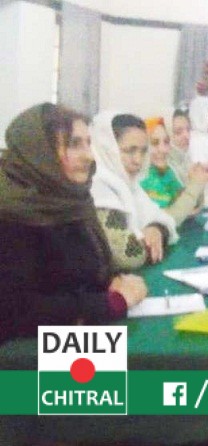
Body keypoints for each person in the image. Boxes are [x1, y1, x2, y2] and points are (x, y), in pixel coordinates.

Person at [0, 103, 149, 343]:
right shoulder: (10, 214)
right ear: (39, 151)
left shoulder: (73, 201)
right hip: (22, 353)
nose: (89, 156)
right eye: (74, 144)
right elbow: (15, 310)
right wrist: (113, 302)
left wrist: (110, 281)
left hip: (69, 336)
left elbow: (79, 272)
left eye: (88, 143)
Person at [91, 112, 208, 269]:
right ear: (108, 148)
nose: (138, 160)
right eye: (130, 151)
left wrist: (157, 228)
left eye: (143, 151)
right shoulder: (100, 187)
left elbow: (165, 219)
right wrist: (149, 238)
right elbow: (127, 255)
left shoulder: (130, 185)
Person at [140, 117, 208, 215]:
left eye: (166, 142)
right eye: (154, 143)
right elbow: (169, 218)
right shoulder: (141, 180)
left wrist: (195, 180)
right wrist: (195, 184)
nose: (163, 149)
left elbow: (192, 206)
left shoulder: (167, 172)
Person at [167, 109, 193, 181]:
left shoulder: (187, 159)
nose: (186, 136)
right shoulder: (165, 167)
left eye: (188, 130)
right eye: (178, 132)